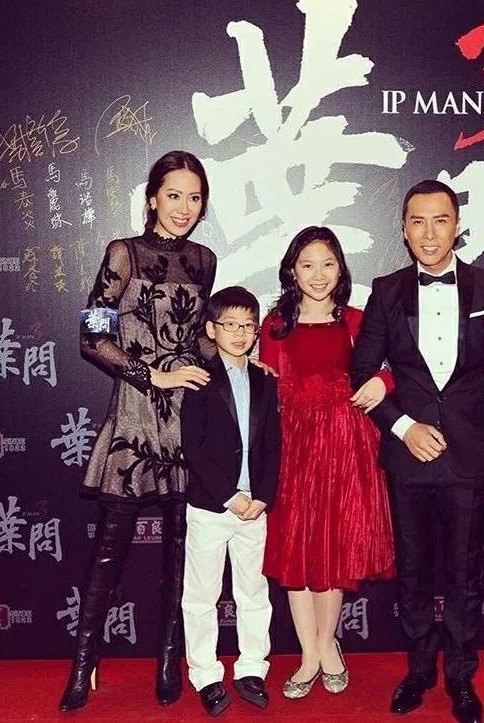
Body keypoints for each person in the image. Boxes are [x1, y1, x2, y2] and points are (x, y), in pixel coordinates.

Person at [350, 180, 484, 723]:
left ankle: (460, 676)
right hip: (409, 455)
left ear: (457, 225)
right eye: (417, 222)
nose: (429, 234)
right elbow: (362, 373)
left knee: (463, 574)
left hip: (472, 455)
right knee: (412, 571)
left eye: (440, 220)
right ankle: (419, 669)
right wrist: (403, 427)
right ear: (404, 229)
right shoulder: (387, 291)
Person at [60, 150, 217, 712]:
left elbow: (197, 339)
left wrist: (237, 356)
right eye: (173, 195)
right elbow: (91, 336)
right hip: (135, 415)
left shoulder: (204, 260)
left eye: (194, 197)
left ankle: (169, 658)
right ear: (152, 198)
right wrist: (154, 374)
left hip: (187, 421)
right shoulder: (122, 253)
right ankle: (84, 662)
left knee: (180, 550)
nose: (184, 207)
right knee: (110, 550)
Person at [258, 226, 397, 700]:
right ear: (292, 272)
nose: (318, 275)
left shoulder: (357, 320)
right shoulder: (274, 325)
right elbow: (267, 392)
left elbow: (394, 371)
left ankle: (327, 643)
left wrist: (383, 382)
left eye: (328, 264)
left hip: (344, 446)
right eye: (307, 265)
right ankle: (309, 653)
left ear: (341, 269)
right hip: (292, 448)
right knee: (295, 549)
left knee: (332, 548)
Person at [178, 286, 281, 716]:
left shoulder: (265, 380)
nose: (239, 333)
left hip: (254, 508)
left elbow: (273, 444)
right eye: (230, 325)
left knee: (253, 591)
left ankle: (252, 668)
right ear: (211, 329)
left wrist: (264, 497)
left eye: (248, 326)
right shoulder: (199, 379)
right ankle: (205, 674)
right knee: (201, 595)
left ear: (257, 331)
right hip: (210, 506)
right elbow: (193, 447)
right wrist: (228, 497)